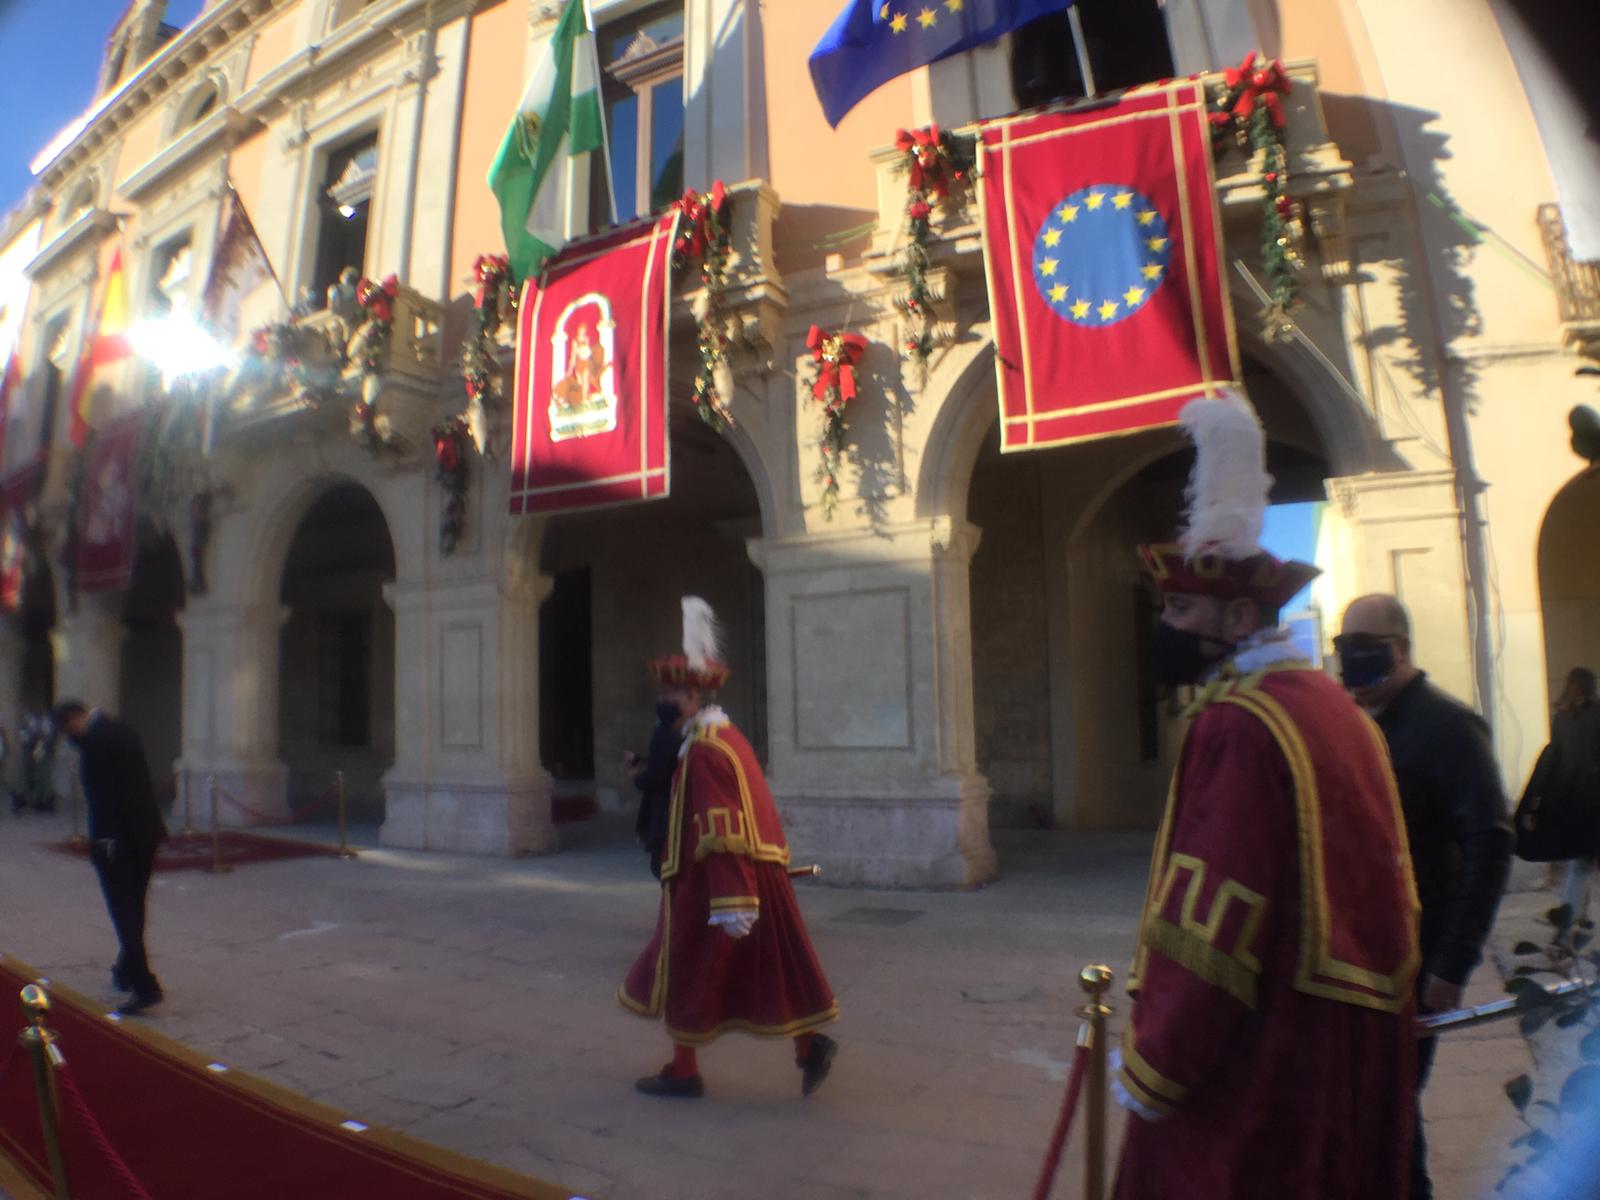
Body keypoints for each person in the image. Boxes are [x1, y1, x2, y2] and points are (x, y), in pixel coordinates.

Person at [1112, 393, 1421, 1199]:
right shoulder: (1324, 703)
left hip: (1272, 1061)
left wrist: (1156, 1058)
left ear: (1241, 612)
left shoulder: (1241, 726)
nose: (1167, 626)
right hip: (1348, 1043)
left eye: (1181, 608)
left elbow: (1213, 923)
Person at [619, 597, 839, 1099]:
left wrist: (731, 898)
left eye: (675, 691)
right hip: (744, 879)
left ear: (696, 698)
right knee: (771, 970)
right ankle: (808, 1047)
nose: (667, 698)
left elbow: (723, 825)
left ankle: (683, 1072)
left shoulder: (704, 749)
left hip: (720, 885)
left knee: (688, 970)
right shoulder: (722, 736)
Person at [1337, 593, 1513, 1200]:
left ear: (1400, 649)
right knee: (1368, 1110)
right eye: (1343, 648)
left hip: (1420, 955)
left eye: (1364, 649)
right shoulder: (1361, 724)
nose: (1350, 662)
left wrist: (1451, 965)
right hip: (1363, 955)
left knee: (1389, 1110)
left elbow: (1489, 844)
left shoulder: (1447, 726)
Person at [53, 700, 168, 1016]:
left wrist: (104, 840)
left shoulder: (96, 742)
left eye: (67, 731)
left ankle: (145, 984)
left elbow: (102, 797)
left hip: (118, 838)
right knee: (135, 903)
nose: (69, 738)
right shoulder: (124, 729)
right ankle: (125, 967)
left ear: (74, 720)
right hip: (146, 832)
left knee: (123, 908)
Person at [1548, 668, 1600, 921]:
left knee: (1580, 862)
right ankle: (1571, 915)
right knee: (1582, 865)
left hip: (1572, 800)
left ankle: (1578, 914)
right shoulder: (1596, 716)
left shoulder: (1560, 718)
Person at [624, 692, 684, 879]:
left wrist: (636, 777)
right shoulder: (674, 735)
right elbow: (662, 761)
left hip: (664, 807)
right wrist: (639, 760)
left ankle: (671, 907)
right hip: (669, 803)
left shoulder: (664, 735)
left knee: (661, 865)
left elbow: (658, 774)